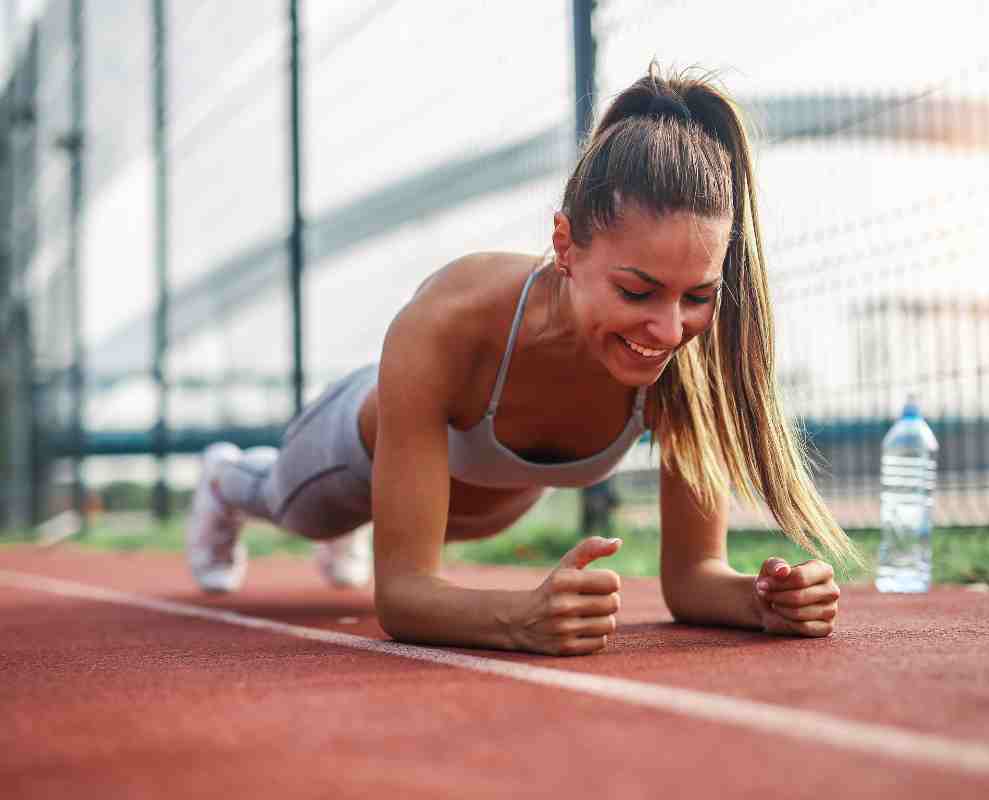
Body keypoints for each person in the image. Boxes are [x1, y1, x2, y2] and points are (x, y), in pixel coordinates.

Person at [186, 64, 864, 656]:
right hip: (351, 460)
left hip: (483, 504)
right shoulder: (448, 323)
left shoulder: (689, 360)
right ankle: (224, 481)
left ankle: (362, 527)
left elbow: (693, 576)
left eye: (699, 295)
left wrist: (761, 601)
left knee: (431, 523)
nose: (667, 328)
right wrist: (519, 618)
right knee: (291, 505)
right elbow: (402, 597)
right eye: (636, 290)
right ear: (565, 246)